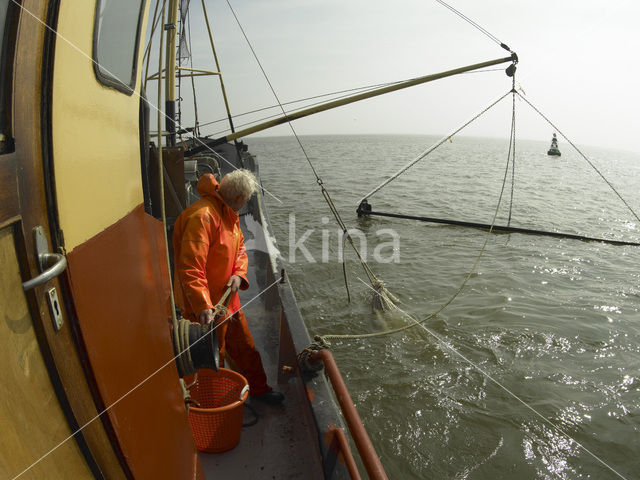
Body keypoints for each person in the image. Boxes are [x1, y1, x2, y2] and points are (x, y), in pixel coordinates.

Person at [173, 169, 284, 405]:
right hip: (205, 310)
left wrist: (239, 274)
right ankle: (212, 403)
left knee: (245, 347)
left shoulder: (228, 214)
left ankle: (259, 389)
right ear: (238, 199)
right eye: (245, 201)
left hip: (228, 303)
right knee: (212, 359)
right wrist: (203, 305)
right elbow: (190, 268)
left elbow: (240, 247)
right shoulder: (202, 217)